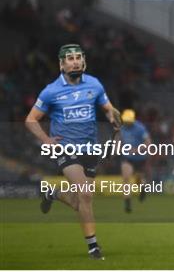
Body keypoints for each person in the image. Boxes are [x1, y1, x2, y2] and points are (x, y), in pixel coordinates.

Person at [25, 44, 121, 260]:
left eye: (78, 57)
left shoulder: (94, 84)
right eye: (70, 58)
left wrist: (112, 117)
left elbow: (108, 108)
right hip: (65, 149)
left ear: (83, 61)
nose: (75, 61)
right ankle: (93, 247)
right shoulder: (51, 91)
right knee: (86, 194)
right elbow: (30, 120)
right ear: (62, 64)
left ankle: (53, 193)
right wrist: (46, 140)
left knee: (79, 201)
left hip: (90, 149)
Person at [119, 109, 152, 213]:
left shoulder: (140, 128)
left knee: (139, 178)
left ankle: (142, 189)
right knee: (126, 178)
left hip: (140, 157)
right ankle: (127, 203)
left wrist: (137, 150)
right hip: (127, 157)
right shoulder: (122, 128)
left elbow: (148, 143)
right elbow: (119, 139)